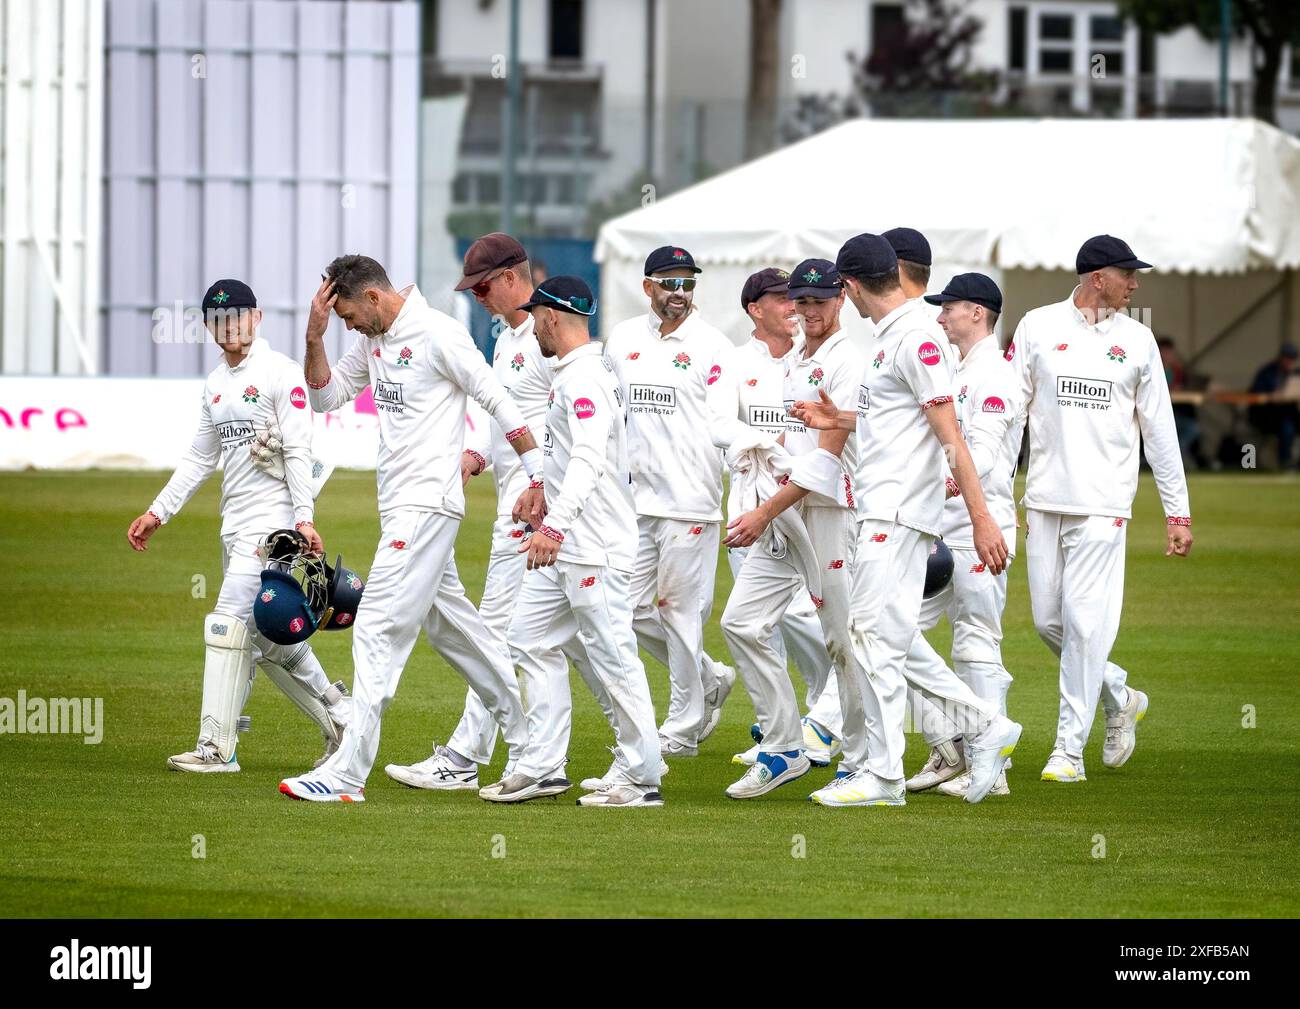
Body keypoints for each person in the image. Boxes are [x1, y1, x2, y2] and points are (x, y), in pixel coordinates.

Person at [278, 255, 549, 803]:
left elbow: (499, 399)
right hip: (403, 507)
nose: (349, 326)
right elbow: (326, 397)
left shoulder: (439, 334)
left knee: (377, 628)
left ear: (374, 299)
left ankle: (347, 773)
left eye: (350, 316)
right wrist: (315, 335)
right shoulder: (372, 339)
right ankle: (534, 749)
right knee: (455, 631)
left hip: (427, 505)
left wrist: (537, 475)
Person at [789, 235, 1021, 808]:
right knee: (888, 638)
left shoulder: (917, 339)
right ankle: (986, 724)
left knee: (870, 639)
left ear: (850, 286)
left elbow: (950, 437)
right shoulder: (893, 337)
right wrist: (837, 416)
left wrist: (982, 519)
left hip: (897, 513)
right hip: (883, 508)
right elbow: (897, 420)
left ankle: (884, 775)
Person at [127, 279, 349, 773]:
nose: (230, 327)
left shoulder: (280, 373)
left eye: (239, 316)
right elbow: (199, 459)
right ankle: (340, 716)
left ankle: (216, 748)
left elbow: (299, 449)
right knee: (269, 643)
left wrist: (304, 520)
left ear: (257, 318)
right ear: (209, 328)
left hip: (272, 531)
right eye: (219, 320)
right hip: (234, 527)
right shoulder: (215, 385)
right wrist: (158, 511)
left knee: (226, 623)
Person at [1008, 235, 1192, 783]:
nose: (1135, 284)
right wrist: (994, 494)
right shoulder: (1037, 326)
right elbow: (1011, 415)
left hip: (1105, 503)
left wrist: (1176, 511)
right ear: (1096, 277)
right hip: (1044, 497)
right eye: (1126, 274)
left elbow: (1160, 430)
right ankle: (1120, 693)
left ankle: (1068, 751)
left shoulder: (1138, 341)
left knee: (1085, 625)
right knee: (1049, 623)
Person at [383, 233, 552, 792]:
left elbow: (565, 424)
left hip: (536, 510)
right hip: (517, 501)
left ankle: (473, 757)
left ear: (510, 277)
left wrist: (541, 487)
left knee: (495, 633)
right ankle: (641, 744)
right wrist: (480, 453)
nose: (477, 298)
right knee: (564, 635)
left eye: (482, 287)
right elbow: (504, 409)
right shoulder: (506, 338)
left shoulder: (550, 336)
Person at [492, 276, 664, 807]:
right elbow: (571, 455)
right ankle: (544, 766)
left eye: (535, 315)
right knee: (528, 638)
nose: (532, 326)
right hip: (570, 543)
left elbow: (589, 459)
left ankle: (642, 778)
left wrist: (555, 525)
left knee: (614, 657)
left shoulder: (583, 377)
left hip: (594, 545)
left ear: (551, 317)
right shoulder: (579, 370)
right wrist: (542, 490)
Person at [720, 259, 865, 799]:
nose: (809, 312)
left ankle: (859, 760)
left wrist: (762, 512)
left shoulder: (849, 362)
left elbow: (827, 460)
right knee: (741, 622)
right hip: (786, 512)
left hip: (828, 513)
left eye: (819, 302)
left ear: (842, 299)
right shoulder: (797, 359)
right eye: (801, 303)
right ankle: (783, 748)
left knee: (841, 640)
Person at [604, 245, 737, 757]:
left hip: (690, 501)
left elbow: (722, 423)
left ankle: (681, 729)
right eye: (669, 283)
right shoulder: (623, 339)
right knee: (631, 611)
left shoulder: (712, 346)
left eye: (687, 284)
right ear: (647, 287)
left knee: (678, 612)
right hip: (634, 501)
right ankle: (708, 678)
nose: (679, 294)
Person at [901, 273, 1024, 798]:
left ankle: (989, 766)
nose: (939, 316)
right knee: (893, 632)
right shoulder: (960, 369)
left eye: (947, 307)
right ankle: (951, 742)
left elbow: (988, 457)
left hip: (982, 526)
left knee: (976, 642)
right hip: (942, 529)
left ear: (977, 312)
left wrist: (946, 486)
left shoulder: (994, 375)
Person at [1249, 342, 1299, 470]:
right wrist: (1272, 395)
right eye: (1288, 358)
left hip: (1292, 414)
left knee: (1289, 423)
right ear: (1281, 357)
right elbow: (1255, 392)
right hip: (1268, 415)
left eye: (1292, 359)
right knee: (1287, 428)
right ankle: (1286, 462)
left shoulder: (1296, 374)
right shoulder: (1268, 372)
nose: (1290, 362)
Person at [1157, 337, 1202, 470]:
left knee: (1193, 429)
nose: (1167, 355)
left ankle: (1176, 457)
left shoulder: (1179, 372)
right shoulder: (1152, 368)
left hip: (1178, 412)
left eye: (1169, 352)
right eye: (1164, 352)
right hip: (1159, 414)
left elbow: (1188, 387)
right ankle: (1174, 460)